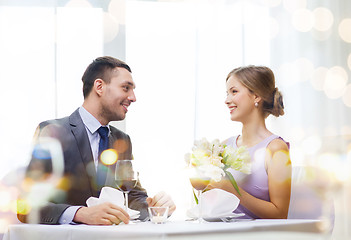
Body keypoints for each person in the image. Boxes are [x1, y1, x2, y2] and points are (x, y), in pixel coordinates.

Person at [18, 56, 176, 225]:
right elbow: (26, 206)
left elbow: (133, 196)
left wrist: (156, 207)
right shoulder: (52, 132)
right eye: (126, 88)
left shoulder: (123, 140)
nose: (133, 97)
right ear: (99, 87)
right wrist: (80, 213)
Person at [207, 65, 291, 219]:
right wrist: (201, 183)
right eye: (227, 93)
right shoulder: (224, 146)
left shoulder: (275, 148)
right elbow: (211, 202)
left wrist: (234, 191)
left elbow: (280, 214)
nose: (227, 100)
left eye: (234, 91)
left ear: (256, 96)